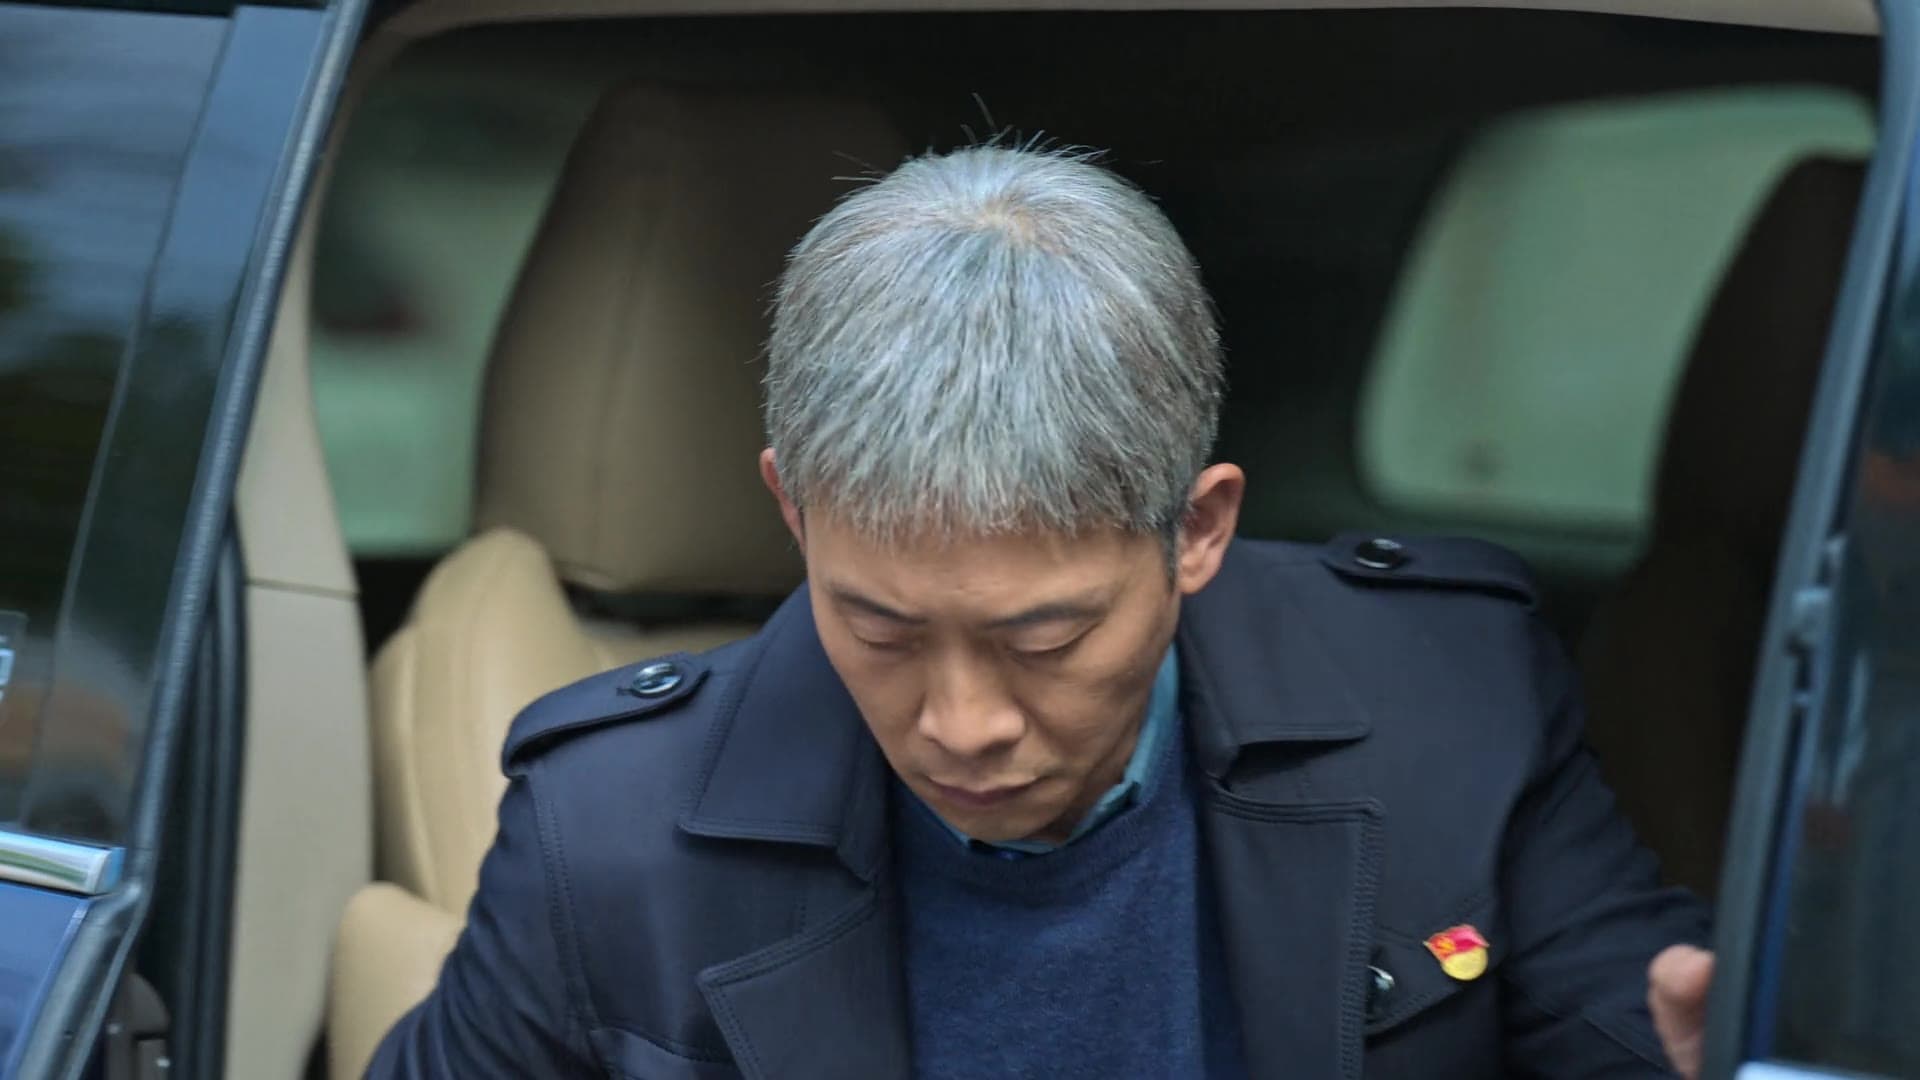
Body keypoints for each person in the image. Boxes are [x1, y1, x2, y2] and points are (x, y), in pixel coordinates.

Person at [367, 144, 1715, 1078]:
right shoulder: (608, 832)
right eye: (882, 630)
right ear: (793, 510)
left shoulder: (1443, 701)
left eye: (1046, 640)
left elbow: (1638, 1036)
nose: (962, 725)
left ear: (1198, 530)